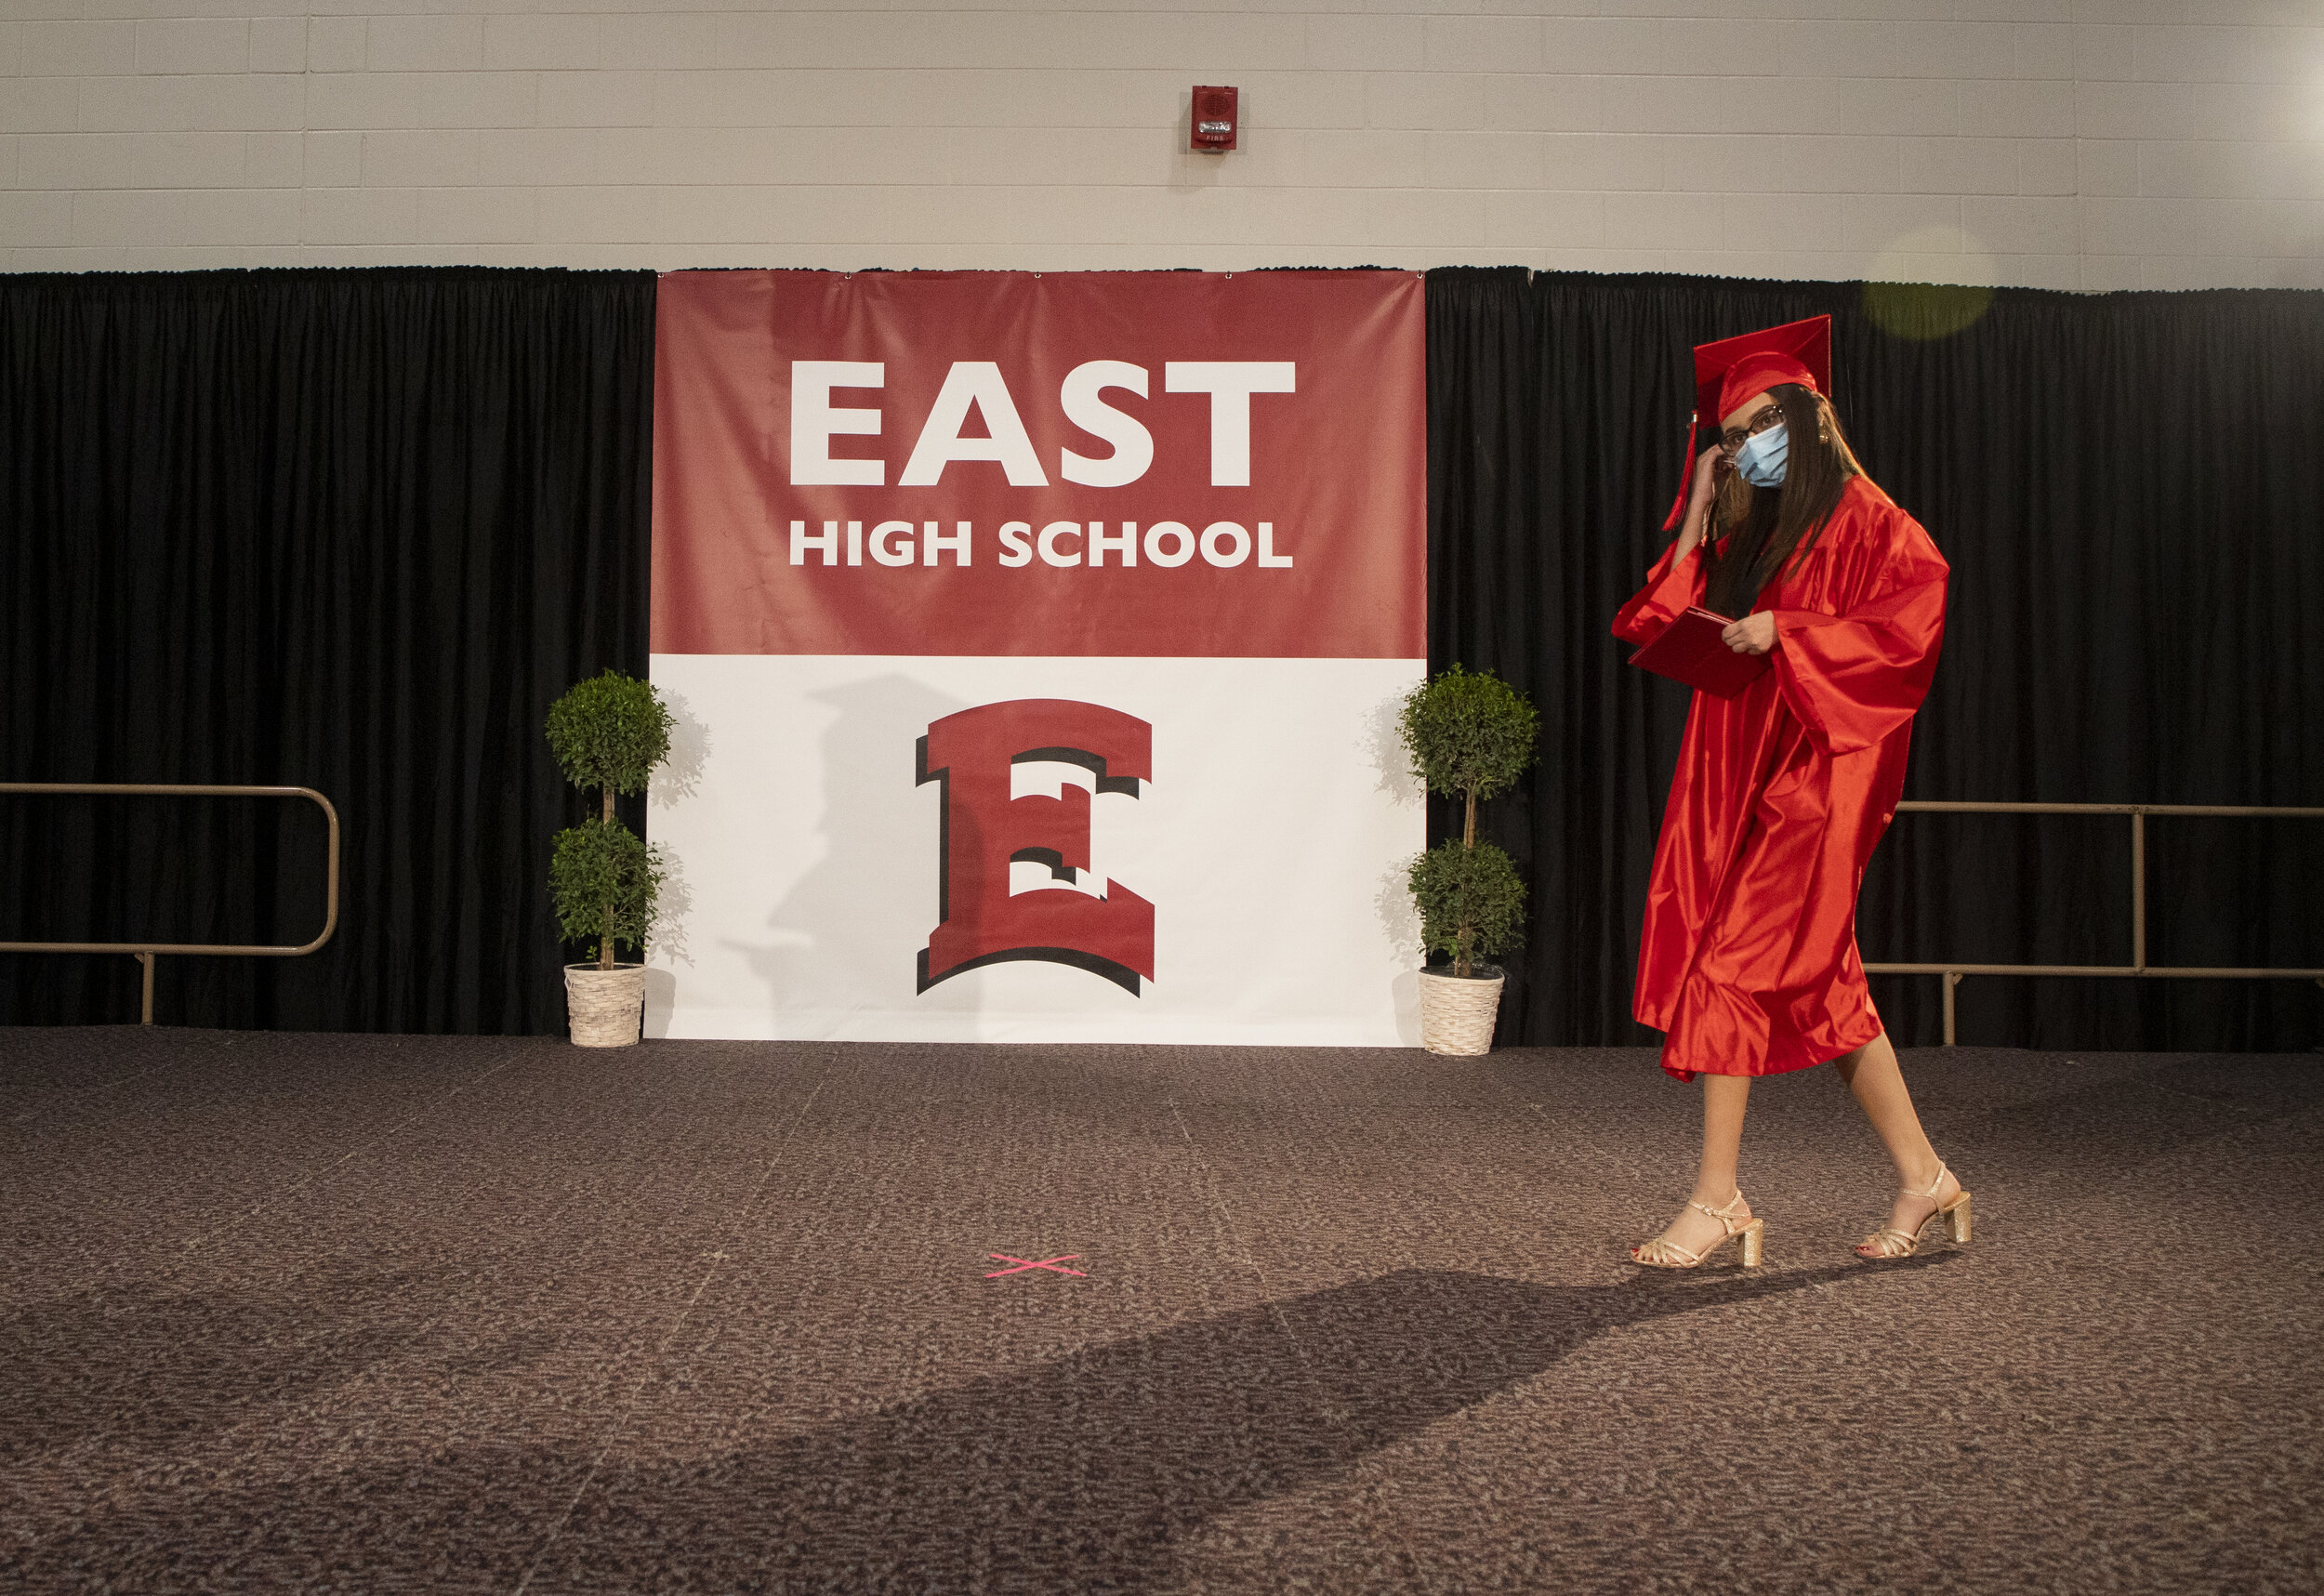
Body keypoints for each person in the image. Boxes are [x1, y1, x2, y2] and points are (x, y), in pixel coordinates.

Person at [1611, 315, 1967, 1268]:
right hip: (1744, 769)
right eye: (1731, 435)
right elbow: (1657, 615)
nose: (1745, 445)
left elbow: (1910, 631)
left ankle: (1718, 1198)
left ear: (1810, 418)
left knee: (1732, 964)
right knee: (1826, 989)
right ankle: (1925, 1178)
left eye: (1761, 424)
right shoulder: (1762, 528)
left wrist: (1792, 633)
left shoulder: (1875, 523)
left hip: (1821, 773)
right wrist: (1697, 505)